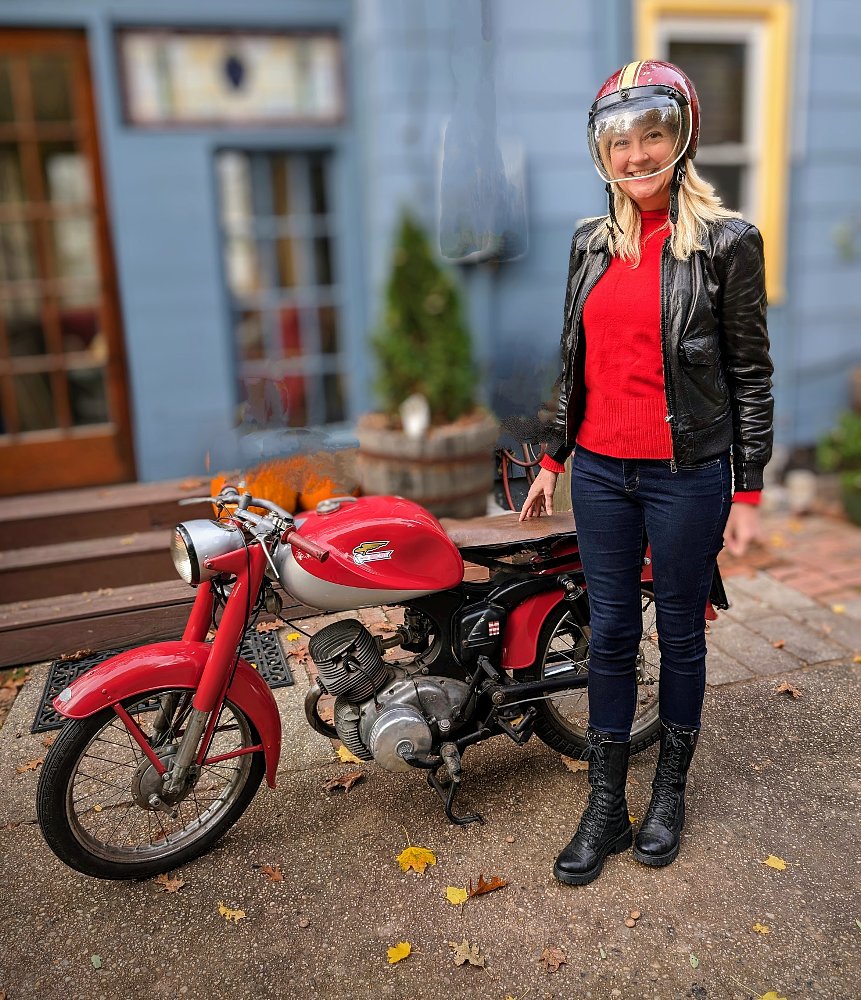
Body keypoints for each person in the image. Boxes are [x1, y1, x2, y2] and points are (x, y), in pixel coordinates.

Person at [519, 60, 774, 886]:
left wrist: (748, 487)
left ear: (681, 136)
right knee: (611, 636)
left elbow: (750, 374)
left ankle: (667, 791)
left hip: (686, 472)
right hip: (597, 471)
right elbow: (574, 359)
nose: (635, 156)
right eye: (618, 142)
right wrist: (553, 455)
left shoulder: (727, 243)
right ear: (602, 152)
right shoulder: (588, 244)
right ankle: (605, 803)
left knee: (681, 633)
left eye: (651, 136)